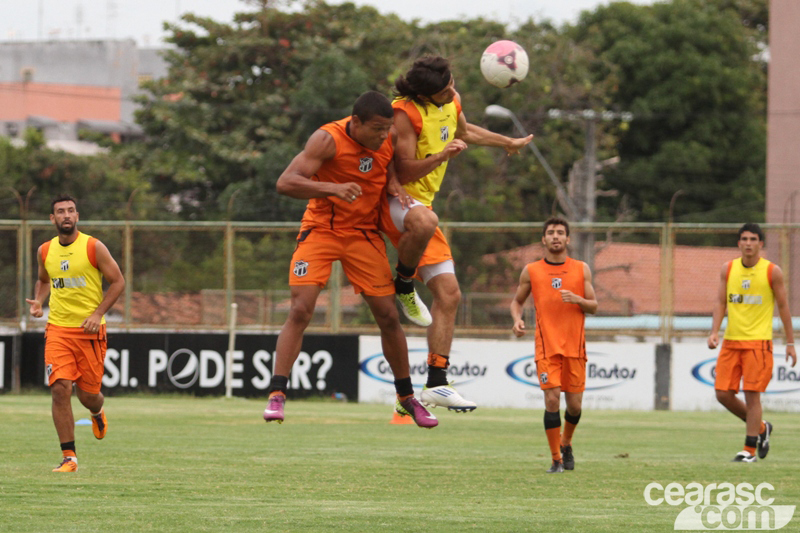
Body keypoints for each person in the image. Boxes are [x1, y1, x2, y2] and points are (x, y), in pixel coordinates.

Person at [262, 90, 437, 429]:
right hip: (321, 231)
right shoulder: (327, 139)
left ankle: (407, 399)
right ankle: (277, 393)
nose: (383, 135)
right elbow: (286, 182)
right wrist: (332, 188)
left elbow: (387, 167)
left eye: (387, 129)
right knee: (301, 309)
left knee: (388, 316)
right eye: (376, 129)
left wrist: (395, 183)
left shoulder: (388, 136)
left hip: (363, 234)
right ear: (355, 122)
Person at [383, 55, 534, 412]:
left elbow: (465, 132)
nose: (452, 89)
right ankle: (403, 283)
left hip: (422, 204)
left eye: (452, 82)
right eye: (444, 88)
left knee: (449, 295)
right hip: (395, 199)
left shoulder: (451, 100)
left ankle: (436, 382)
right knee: (425, 222)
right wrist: (441, 155)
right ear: (424, 94)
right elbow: (402, 173)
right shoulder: (405, 114)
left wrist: (506, 142)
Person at [26, 195, 125, 472]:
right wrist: (38, 301)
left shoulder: (93, 247)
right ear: (52, 219)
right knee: (60, 389)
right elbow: (44, 279)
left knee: (87, 395)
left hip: (90, 332)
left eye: (70, 211)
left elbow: (118, 282)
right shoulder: (45, 251)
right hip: (57, 329)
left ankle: (96, 411)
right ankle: (69, 457)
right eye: (60, 211)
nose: (66, 215)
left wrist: (97, 314)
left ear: (77, 216)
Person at [510, 217, 597, 473]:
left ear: (568, 239)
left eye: (560, 233)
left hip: (575, 348)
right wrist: (517, 320)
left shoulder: (581, 269)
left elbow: (594, 306)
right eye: (551, 233)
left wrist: (578, 299)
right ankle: (556, 459)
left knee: (575, 406)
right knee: (551, 400)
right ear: (543, 239)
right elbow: (517, 302)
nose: (556, 236)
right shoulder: (532, 270)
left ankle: (566, 442)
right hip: (546, 347)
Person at [707, 223, 796, 462]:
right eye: (744, 239)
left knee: (751, 394)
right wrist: (714, 332)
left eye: (753, 239)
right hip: (731, 342)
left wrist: (790, 342)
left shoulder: (771, 271)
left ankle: (749, 450)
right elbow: (720, 302)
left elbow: (784, 307)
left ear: (761, 244)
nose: (748, 243)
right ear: (738, 243)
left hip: (758, 343)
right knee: (722, 393)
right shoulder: (728, 268)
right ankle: (761, 427)